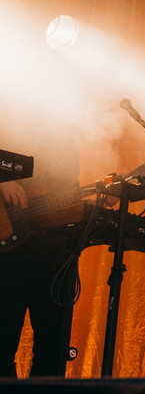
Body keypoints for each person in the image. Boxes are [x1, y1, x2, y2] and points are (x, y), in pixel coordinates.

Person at [0, 126, 82, 378]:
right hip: (10, 253)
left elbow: (66, 195)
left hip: (52, 251)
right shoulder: (11, 120)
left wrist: (103, 197)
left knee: (51, 345)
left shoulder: (65, 135)